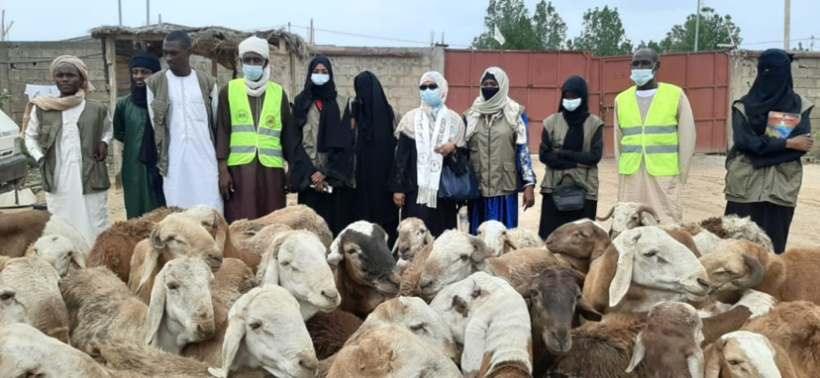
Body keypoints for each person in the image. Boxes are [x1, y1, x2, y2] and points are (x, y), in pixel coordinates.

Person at [724, 49, 814, 254]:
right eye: (764, 70)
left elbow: (802, 147)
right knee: (734, 251)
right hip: (744, 190)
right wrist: (787, 144)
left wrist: (759, 149)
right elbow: (743, 142)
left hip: (780, 190)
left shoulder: (800, 107)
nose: (768, 74)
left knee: (772, 253)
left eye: (774, 70)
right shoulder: (743, 106)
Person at [23, 55, 112, 247]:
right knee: (61, 221)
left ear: (82, 79)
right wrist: (40, 158)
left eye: (70, 75)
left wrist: (104, 142)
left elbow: (108, 129)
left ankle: (95, 261)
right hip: (58, 176)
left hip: (91, 175)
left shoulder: (96, 108)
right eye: (60, 75)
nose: (64, 79)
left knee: (94, 220)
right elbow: (29, 137)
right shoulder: (43, 108)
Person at [614, 48, 696, 225]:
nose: (640, 67)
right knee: (629, 223)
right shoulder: (621, 99)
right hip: (631, 174)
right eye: (635, 64)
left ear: (656, 66)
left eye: (645, 63)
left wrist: (682, 173)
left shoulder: (675, 95)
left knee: (665, 223)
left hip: (663, 174)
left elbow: (687, 136)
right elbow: (617, 139)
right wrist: (621, 170)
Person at [215, 36, 291, 223]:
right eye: (247, 60)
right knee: (241, 221)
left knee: (272, 221)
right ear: (241, 63)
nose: (252, 64)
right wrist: (222, 170)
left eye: (257, 60)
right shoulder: (229, 91)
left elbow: (288, 136)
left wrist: (291, 169)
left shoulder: (278, 93)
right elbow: (222, 132)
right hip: (240, 171)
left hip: (271, 171)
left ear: (266, 63)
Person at [146, 30, 222, 212]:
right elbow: (155, 124)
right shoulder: (155, 83)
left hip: (205, 160)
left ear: (189, 52)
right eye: (165, 53)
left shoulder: (207, 83)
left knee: (210, 211)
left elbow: (216, 123)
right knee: (178, 213)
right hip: (173, 162)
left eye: (174, 53)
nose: (169, 58)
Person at [284, 56, 355, 236]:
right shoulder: (300, 102)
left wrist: (326, 172)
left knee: (335, 231)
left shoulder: (342, 102)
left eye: (324, 72)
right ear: (310, 74)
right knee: (309, 232)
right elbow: (294, 141)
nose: (320, 75)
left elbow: (347, 141)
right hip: (308, 179)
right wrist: (311, 174)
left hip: (334, 179)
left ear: (330, 75)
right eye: (316, 71)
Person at [390, 71, 465, 237]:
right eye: (423, 87)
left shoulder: (454, 121)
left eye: (433, 86)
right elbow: (401, 158)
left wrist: (452, 148)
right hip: (415, 190)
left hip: (443, 191)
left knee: (442, 236)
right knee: (415, 235)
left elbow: (464, 159)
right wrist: (399, 189)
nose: (428, 90)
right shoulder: (410, 120)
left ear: (443, 89)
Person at [464, 67, 536, 235]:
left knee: (504, 240)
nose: (489, 87)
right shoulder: (471, 116)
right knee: (478, 243)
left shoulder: (515, 114)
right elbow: (464, 152)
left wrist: (529, 185)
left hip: (504, 190)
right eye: (485, 84)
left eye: (493, 84)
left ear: (502, 86)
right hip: (478, 191)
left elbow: (523, 152)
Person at [538, 76, 604, 239]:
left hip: (585, 190)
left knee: (582, 242)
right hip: (554, 189)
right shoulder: (551, 123)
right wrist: (577, 162)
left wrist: (562, 153)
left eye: (574, 97)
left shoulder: (595, 124)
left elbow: (594, 157)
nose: (570, 100)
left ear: (583, 97)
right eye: (566, 96)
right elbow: (545, 156)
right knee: (552, 240)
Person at [113, 53, 165, 219]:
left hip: (161, 164)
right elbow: (119, 132)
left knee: (161, 208)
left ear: (156, 74)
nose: (139, 76)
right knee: (135, 208)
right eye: (135, 72)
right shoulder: (124, 104)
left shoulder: (163, 102)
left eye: (144, 72)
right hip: (133, 165)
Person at [352, 71, 399, 243]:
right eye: (359, 89)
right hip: (361, 180)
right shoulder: (355, 112)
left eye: (366, 88)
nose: (362, 93)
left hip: (384, 179)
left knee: (385, 221)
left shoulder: (390, 114)